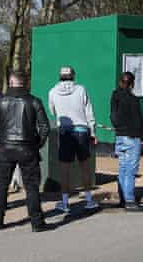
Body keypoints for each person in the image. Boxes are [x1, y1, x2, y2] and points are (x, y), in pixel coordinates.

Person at [0, 70, 52, 232]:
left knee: (2, 185)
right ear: (25, 83)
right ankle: (37, 222)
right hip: (28, 147)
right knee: (31, 187)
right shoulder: (34, 101)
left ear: (10, 82)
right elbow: (45, 127)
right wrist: (38, 144)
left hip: (6, 147)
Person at [48, 65, 98, 214]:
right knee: (85, 166)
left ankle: (65, 202)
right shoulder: (81, 89)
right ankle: (89, 200)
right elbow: (89, 111)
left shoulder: (52, 92)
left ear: (60, 76)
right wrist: (93, 131)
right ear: (73, 76)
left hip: (65, 132)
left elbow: (52, 111)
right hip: (82, 130)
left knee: (65, 168)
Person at [110, 71, 143, 212]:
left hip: (120, 135)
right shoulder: (133, 99)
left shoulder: (115, 96)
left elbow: (112, 115)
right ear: (132, 84)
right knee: (131, 169)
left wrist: (117, 127)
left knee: (123, 168)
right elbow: (138, 121)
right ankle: (130, 200)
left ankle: (123, 198)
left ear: (120, 82)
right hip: (132, 136)